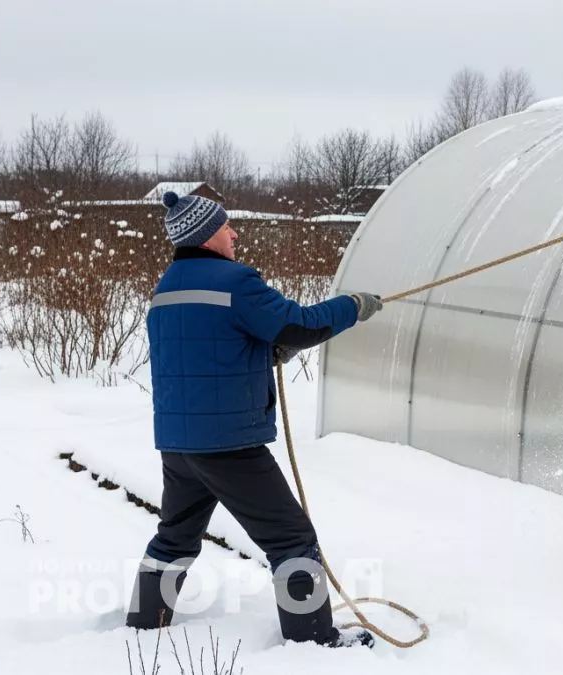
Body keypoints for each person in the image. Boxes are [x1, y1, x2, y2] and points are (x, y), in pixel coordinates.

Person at [125, 190, 382, 648]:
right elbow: (300, 324)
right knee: (292, 541)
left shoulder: (166, 288)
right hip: (229, 445)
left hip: (180, 444)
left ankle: (144, 625)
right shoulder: (234, 281)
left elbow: (205, 351)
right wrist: (352, 307)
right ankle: (314, 642)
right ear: (206, 236)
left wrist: (266, 350)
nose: (235, 232)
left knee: (174, 539)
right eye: (227, 227)